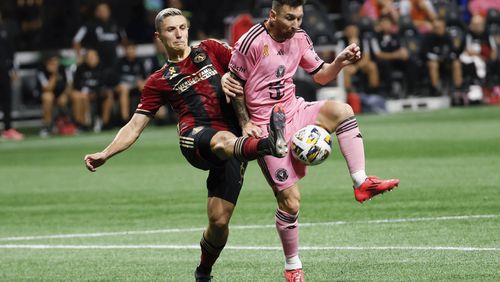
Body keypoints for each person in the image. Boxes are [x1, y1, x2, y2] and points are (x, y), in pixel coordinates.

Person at [84, 8, 287, 282]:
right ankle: (268, 144)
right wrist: (105, 153)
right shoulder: (158, 81)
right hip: (196, 137)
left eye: (182, 27)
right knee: (222, 140)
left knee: (219, 221)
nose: (179, 34)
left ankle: (203, 272)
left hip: (236, 141)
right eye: (171, 30)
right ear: (159, 37)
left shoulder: (212, 49)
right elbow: (134, 125)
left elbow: (247, 70)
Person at [223, 1, 400, 280]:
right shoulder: (251, 43)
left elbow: (321, 76)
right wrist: (246, 123)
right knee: (291, 203)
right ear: (273, 15)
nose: (295, 24)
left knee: (342, 111)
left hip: (295, 110)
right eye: (289, 18)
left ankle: (361, 181)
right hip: (267, 126)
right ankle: (293, 266)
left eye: (299, 17)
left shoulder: (302, 37)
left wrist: (339, 61)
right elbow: (234, 87)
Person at [422, 18, 463, 96]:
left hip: (446, 61)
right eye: (436, 27)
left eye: (440, 27)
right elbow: (425, 53)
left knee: (456, 63)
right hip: (433, 62)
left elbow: (454, 51)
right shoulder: (428, 38)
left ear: (444, 27)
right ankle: (436, 89)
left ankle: (458, 88)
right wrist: (437, 57)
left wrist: (448, 57)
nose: (438, 29)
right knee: (433, 65)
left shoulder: (448, 37)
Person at [36, 53, 72, 137]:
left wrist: (65, 95)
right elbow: (47, 88)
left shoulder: (64, 69)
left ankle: (76, 125)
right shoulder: (41, 70)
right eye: (52, 62)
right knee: (48, 97)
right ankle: (47, 126)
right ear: (47, 63)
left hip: (63, 94)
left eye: (56, 62)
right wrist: (54, 74)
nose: (55, 64)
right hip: (47, 94)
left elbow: (70, 85)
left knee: (74, 96)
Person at [0, 13, 24, 141]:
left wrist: (14, 69)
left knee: (6, 101)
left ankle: (8, 129)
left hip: (4, 71)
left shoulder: (4, 31)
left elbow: (11, 52)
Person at [114, 42, 147, 125]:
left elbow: (145, 78)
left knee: (145, 87)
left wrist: (142, 82)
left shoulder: (140, 62)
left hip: (136, 87)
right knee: (124, 89)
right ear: (125, 50)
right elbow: (115, 80)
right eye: (128, 49)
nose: (130, 51)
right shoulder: (119, 62)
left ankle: (146, 117)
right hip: (123, 88)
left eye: (132, 49)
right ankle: (125, 120)